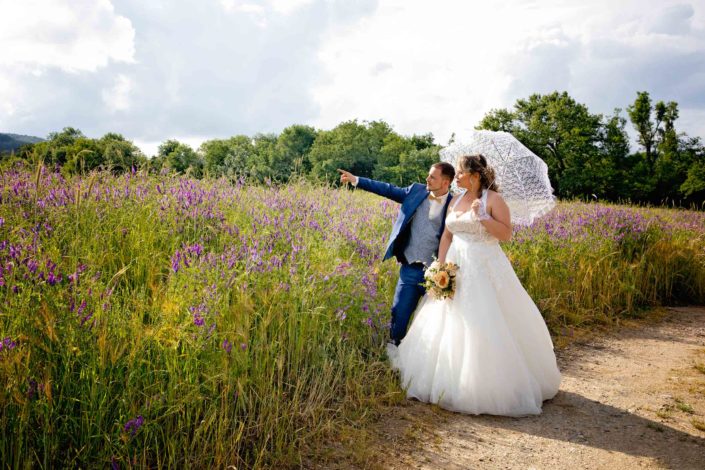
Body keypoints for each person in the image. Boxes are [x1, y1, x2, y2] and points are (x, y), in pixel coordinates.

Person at [387, 154, 561, 416]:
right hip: (456, 265)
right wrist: (441, 265)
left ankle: (485, 386)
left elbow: (506, 234)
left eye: (459, 172)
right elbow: (447, 234)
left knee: (484, 320)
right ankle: (447, 377)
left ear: (475, 176)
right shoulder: (455, 200)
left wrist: (484, 218)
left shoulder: (494, 200)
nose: (456, 177)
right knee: (448, 319)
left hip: (484, 265)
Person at [338, 163, 456, 345]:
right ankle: (393, 352)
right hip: (410, 268)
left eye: (433, 177)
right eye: (428, 175)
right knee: (398, 315)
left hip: (437, 275)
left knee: (431, 324)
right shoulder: (416, 191)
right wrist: (357, 180)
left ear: (446, 182)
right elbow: (387, 189)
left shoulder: (454, 204)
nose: (427, 179)